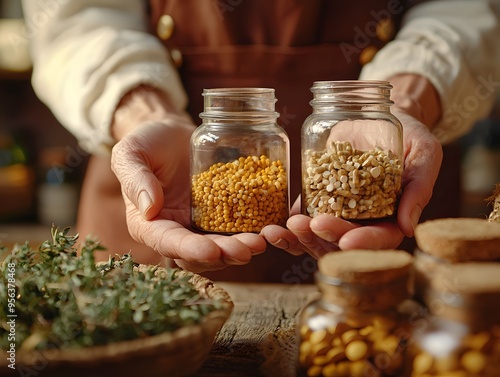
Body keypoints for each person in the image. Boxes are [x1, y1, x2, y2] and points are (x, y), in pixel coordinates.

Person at [21, 0, 500, 281]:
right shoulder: (209, 138)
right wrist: (143, 111)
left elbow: (464, 7)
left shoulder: (329, 130)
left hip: (389, 234)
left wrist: (403, 102)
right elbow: (79, 14)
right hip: (163, 178)